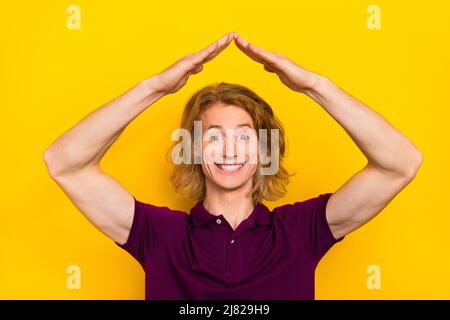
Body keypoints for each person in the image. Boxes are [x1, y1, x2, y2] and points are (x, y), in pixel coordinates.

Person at [43, 32, 422, 299]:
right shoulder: (159, 235)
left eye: (244, 135)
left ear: (264, 149)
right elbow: (64, 162)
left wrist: (314, 86)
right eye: (213, 136)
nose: (229, 149)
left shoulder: (301, 232)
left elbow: (400, 163)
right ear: (193, 149)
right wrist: (155, 88)